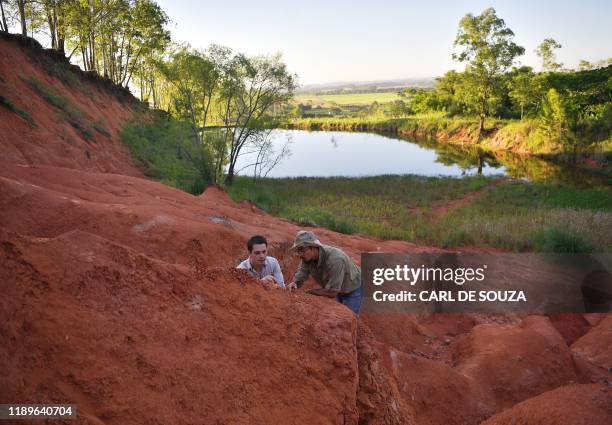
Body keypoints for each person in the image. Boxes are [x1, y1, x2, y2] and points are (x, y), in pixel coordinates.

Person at [287, 230, 363, 315]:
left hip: (353, 288)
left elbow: (332, 292)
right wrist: (295, 283)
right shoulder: (307, 258)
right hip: (338, 287)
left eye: (302, 250)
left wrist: (310, 292)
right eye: (298, 251)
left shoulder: (335, 260)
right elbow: (302, 273)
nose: (300, 254)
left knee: (350, 317)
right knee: (341, 314)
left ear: (313, 247)